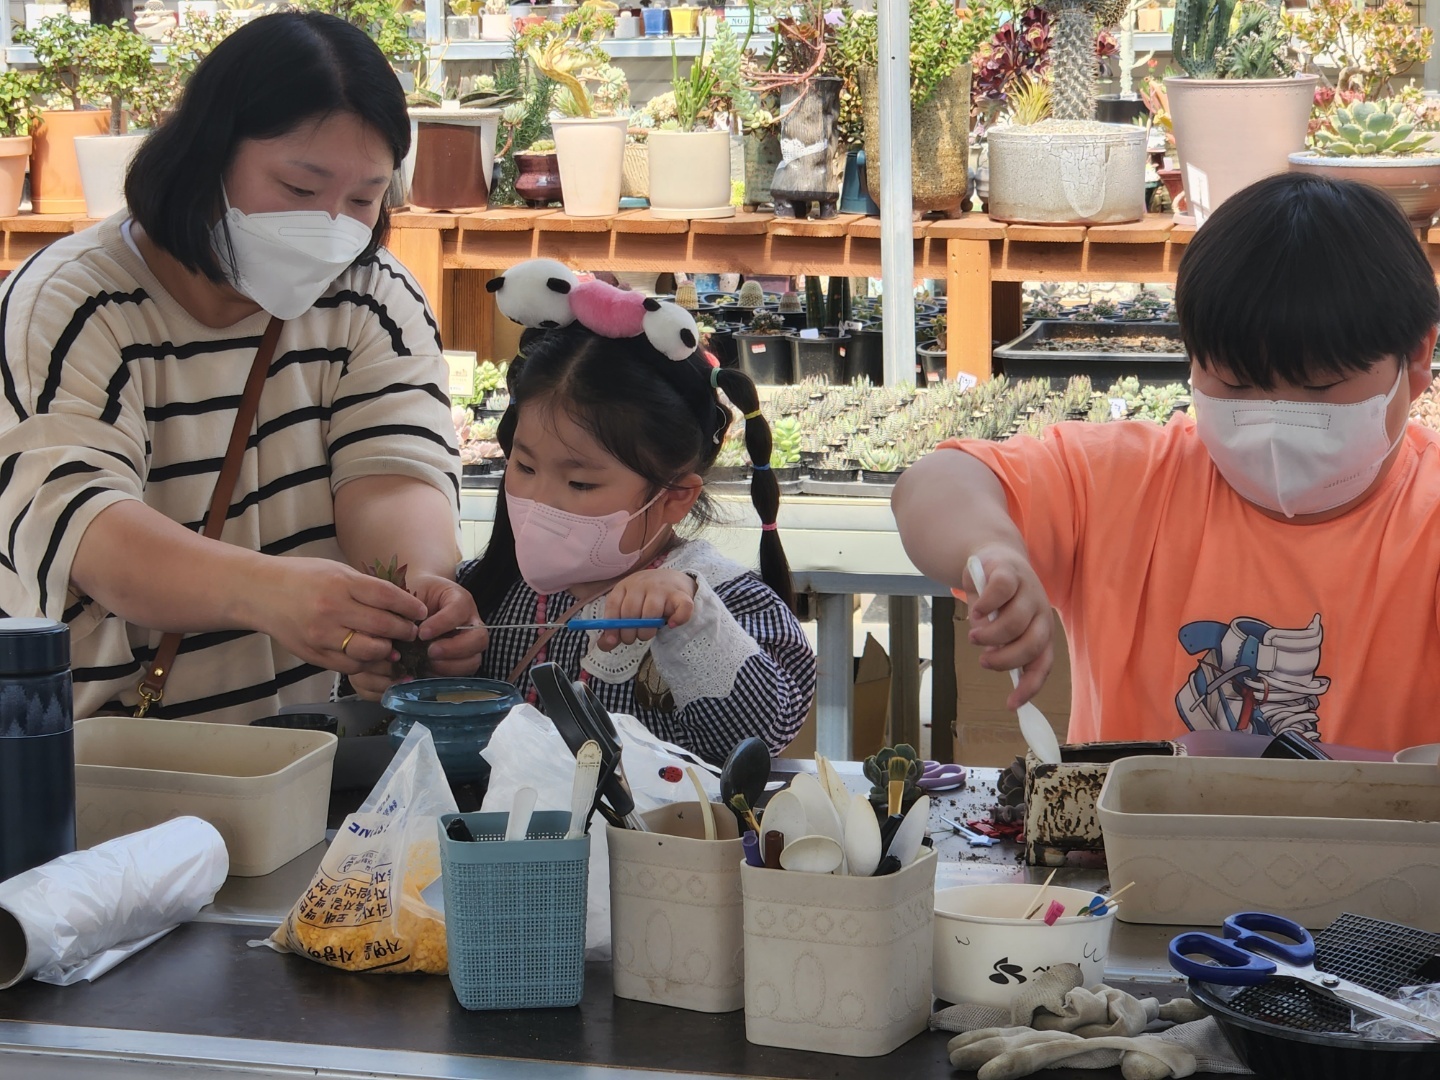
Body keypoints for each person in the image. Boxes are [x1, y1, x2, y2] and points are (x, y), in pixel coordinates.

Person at [0, 12, 486, 723]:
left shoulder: (372, 294)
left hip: (302, 750)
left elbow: (391, 471)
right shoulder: (70, 304)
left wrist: (415, 601)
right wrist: (267, 592)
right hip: (110, 762)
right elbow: (88, 530)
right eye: (297, 189)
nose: (330, 226)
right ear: (207, 155)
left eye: (362, 198)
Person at [893, 173, 1440, 754]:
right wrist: (994, 548)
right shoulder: (1125, 486)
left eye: (1320, 387)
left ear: (1415, 359)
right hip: (1131, 845)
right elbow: (935, 484)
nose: (1275, 419)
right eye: (1236, 384)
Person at [400, 260, 816, 764]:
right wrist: (412, 651)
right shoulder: (485, 593)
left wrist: (691, 615)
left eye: (580, 482)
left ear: (673, 497)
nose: (540, 501)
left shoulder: (728, 602)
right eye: (525, 467)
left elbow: (763, 733)